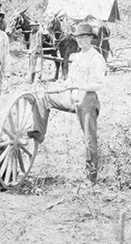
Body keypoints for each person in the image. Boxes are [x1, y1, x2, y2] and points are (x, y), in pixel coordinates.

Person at [32, 23, 106, 183]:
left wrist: (78, 86)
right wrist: (57, 88)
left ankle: (91, 177)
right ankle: (38, 131)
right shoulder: (77, 56)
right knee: (43, 97)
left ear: (91, 38)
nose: (80, 40)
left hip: (87, 100)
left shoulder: (96, 58)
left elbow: (98, 84)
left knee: (89, 139)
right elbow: (69, 80)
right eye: (78, 37)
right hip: (71, 97)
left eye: (84, 37)